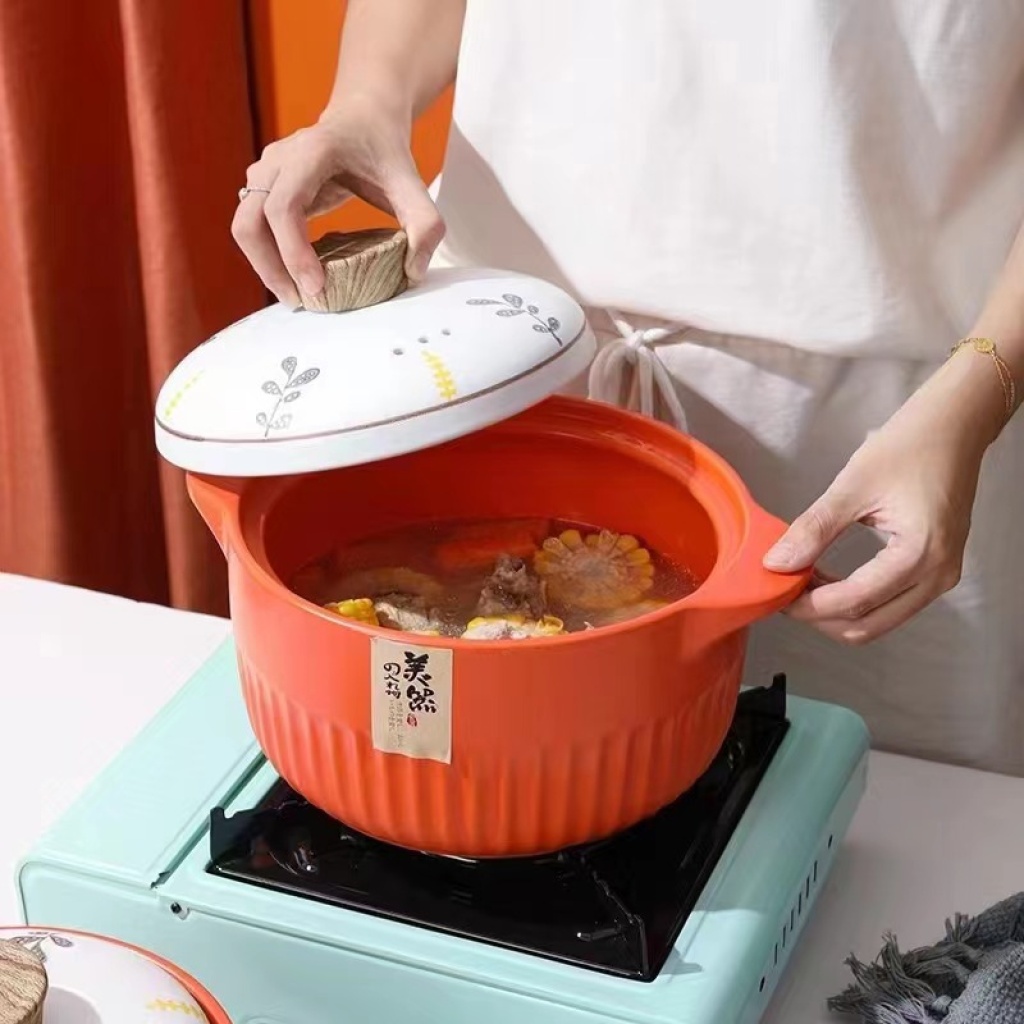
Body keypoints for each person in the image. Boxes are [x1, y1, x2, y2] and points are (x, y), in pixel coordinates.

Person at [232, 1, 1024, 776]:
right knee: (456, 768)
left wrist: (974, 396)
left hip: (887, 432)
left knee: (894, 811)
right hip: (499, 363)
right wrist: (366, 99)